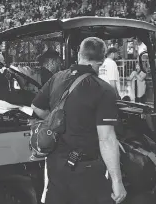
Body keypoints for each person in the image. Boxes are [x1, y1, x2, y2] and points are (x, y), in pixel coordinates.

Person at [31, 37, 126, 204]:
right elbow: (107, 139)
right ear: (103, 59)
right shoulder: (104, 90)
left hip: (55, 164)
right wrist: (117, 182)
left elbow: (37, 107)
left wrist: (57, 120)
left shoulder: (57, 78)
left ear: (79, 55)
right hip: (86, 169)